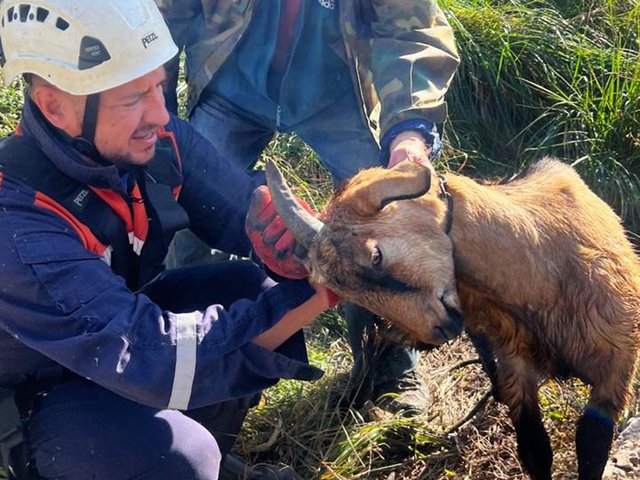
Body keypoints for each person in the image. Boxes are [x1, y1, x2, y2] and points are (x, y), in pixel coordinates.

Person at [0, 0, 336, 478]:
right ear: (56, 105)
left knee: (250, 288)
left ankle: (210, 459)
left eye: (160, 84)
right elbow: (145, 354)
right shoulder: (17, 225)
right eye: (132, 98)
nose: (161, 114)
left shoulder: (151, 141)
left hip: (111, 333)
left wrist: (310, 249)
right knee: (181, 457)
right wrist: (330, 289)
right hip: (35, 394)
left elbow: (243, 210)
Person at [156, 0, 460, 413]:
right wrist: (156, 118)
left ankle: (387, 367)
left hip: (339, 91)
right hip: (230, 80)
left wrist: (408, 134)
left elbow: (412, 31)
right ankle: (192, 359)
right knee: (191, 204)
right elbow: (159, 17)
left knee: (383, 220)